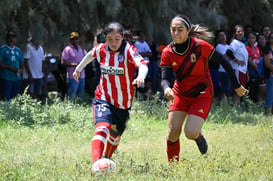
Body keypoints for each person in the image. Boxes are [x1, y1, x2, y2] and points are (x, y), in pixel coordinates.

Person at [160, 14, 248, 162]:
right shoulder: (167, 52)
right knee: (173, 132)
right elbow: (164, 78)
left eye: (180, 30)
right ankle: (173, 169)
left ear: (188, 31)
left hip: (202, 94)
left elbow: (225, 63)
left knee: (190, 132)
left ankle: (198, 136)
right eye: (173, 30)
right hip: (180, 94)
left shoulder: (200, 46)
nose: (176, 33)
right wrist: (166, 88)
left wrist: (237, 86)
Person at [72, 22, 148, 167]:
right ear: (105, 38)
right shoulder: (101, 49)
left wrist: (141, 76)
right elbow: (90, 55)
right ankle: (96, 164)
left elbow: (142, 64)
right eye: (110, 39)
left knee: (115, 136)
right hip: (103, 97)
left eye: (117, 38)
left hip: (123, 103)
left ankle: (106, 157)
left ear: (122, 37)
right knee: (102, 128)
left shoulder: (129, 50)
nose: (113, 42)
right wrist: (78, 68)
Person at [225, 25, 249, 105]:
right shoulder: (235, 42)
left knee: (240, 92)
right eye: (238, 31)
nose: (240, 33)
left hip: (243, 71)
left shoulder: (242, 44)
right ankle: (235, 109)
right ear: (235, 33)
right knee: (237, 91)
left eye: (242, 31)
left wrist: (247, 73)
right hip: (237, 70)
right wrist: (237, 61)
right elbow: (229, 52)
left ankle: (237, 108)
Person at [0, 31, 24, 101]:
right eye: (9, 38)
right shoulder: (2, 49)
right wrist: (9, 67)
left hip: (17, 78)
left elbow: (22, 62)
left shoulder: (18, 50)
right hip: (6, 78)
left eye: (13, 38)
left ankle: (14, 111)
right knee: (6, 99)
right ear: (6, 39)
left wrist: (21, 70)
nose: (11, 39)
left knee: (15, 99)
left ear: (15, 39)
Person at [61, 32, 85, 99]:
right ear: (70, 40)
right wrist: (74, 65)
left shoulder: (80, 49)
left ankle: (80, 108)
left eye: (76, 39)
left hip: (82, 75)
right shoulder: (67, 49)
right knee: (72, 95)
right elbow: (63, 62)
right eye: (73, 39)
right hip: (72, 76)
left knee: (81, 95)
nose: (75, 40)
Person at [215, 30, 232, 99]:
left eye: (224, 35)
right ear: (218, 38)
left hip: (229, 70)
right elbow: (225, 58)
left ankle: (227, 105)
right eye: (221, 35)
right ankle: (222, 106)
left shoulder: (229, 46)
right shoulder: (218, 46)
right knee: (223, 90)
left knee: (228, 90)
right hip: (222, 71)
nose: (223, 37)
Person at [246, 31, 261, 103]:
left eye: (253, 38)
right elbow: (250, 61)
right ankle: (249, 106)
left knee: (256, 91)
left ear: (256, 39)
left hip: (257, 73)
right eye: (249, 38)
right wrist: (258, 68)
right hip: (251, 73)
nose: (251, 39)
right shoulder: (247, 48)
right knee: (251, 91)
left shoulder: (257, 48)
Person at [263, 32, 273, 115]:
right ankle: (268, 114)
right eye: (272, 38)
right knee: (270, 94)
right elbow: (267, 63)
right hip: (270, 75)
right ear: (269, 39)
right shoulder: (267, 49)